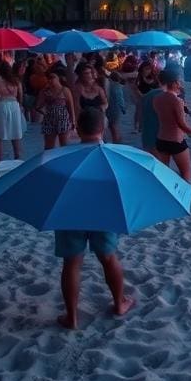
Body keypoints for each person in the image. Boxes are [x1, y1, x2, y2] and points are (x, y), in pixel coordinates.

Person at [54, 107, 134, 330]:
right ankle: (119, 303)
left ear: (77, 128)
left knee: (71, 263)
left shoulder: (64, 157)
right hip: (103, 213)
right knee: (108, 258)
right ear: (104, 127)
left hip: (70, 213)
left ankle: (72, 317)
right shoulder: (114, 156)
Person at [152, 69, 191, 181]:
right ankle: (186, 194)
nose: (180, 83)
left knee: (164, 174)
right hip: (176, 140)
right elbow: (181, 124)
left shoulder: (156, 98)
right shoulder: (176, 100)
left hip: (161, 139)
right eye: (178, 81)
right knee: (186, 172)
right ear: (173, 83)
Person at [0, 61, 25, 162]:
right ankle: (17, 157)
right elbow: (21, 96)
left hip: (1, 105)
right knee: (16, 134)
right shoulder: (16, 81)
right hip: (14, 105)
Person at [36, 71, 76, 149]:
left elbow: (70, 106)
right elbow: (38, 106)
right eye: (49, 78)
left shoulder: (65, 90)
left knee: (64, 145)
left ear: (58, 78)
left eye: (52, 77)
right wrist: (46, 100)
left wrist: (73, 120)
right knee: (49, 146)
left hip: (63, 119)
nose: (50, 80)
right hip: (49, 120)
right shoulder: (45, 91)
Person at [105, 71, 126, 144]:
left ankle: (117, 140)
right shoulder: (117, 86)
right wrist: (123, 108)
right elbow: (120, 99)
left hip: (110, 108)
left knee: (112, 126)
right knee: (113, 126)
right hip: (115, 108)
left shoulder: (110, 85)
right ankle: (117, 140)